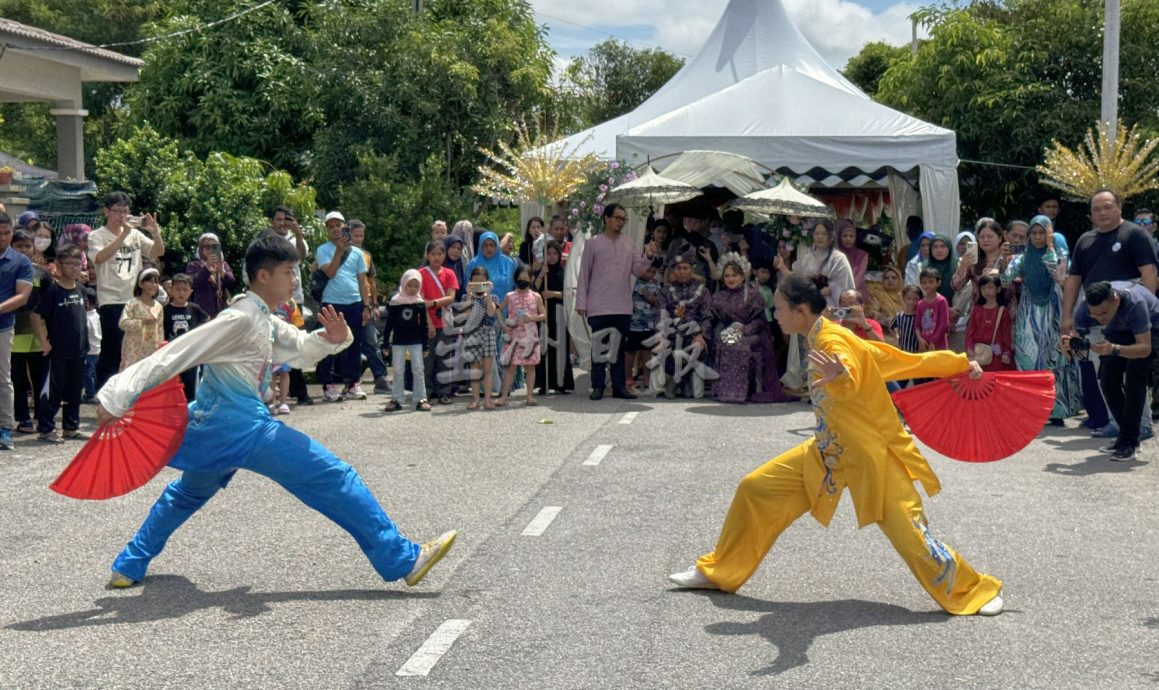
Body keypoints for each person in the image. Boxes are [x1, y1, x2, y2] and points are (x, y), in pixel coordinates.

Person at [98, 235, 456, 588]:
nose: (295, 280)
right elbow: (175, 354)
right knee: (334, 477)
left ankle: (129, 564)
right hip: (243, 429)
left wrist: (331, 337)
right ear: (264, 276)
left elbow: (298, 348)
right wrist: (116, 395)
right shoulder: (239, 318)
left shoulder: (262, 318)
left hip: (211, 430)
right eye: (288, 271)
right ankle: (403, 559)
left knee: (187, 494)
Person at [668, 274, 1004, 617]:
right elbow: (897, 360)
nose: (776, 314)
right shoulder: (819, 337)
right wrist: (957, 362)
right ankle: (718, 571)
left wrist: (842, 375)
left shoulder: (832, 342)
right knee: (755, 489)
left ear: (800, 310)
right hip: (827, 454)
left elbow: (849, 368)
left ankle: (971, 589)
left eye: (780, 308)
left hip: (869, 458)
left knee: (912, 536)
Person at [1063, 281, 1159, 461]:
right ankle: (1125, 435)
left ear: (1115, 300)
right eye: (1095, 315)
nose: (1100, 319)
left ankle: (1130, 442)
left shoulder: (1135, 304)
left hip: (1150, 329)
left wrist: (1114, 349)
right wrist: (1068, 347)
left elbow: (1144, 348)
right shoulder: (1085, 308)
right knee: (1107, 381)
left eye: (1104, 313)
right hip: (1120, 330)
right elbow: (1077, 343)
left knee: (1134, 384)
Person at [1002, 215, 1081, 424]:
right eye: (1034, 233)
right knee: (1028, 358)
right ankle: (1032, 411)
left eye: (1042, 233)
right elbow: (1005, 279)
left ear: (1050, 233)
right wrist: (1005, 260)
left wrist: (1050, 248)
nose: (1037, 237)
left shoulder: (1060, 254)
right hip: (1028, 314)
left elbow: (1059, 276)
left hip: (1054, 311)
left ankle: (1057, 411)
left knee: (1055, 359)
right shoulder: (1023, 257)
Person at [575, 204, 658, 400]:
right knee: (598, 348)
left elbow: (638, 270)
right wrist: (581, 302)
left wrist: (648, 255)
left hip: (621, 305)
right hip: (598, 304)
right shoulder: (593, 243)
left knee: (618, 350)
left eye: (623, 219)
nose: (620, 222)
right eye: (617, 218)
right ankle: (597, 386)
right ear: (606, 218)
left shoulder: (629, 244)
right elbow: (584, 274)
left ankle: (619, 386)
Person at [88, 191, 166, 389]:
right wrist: (123, 234)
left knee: (136, 346)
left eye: (126, 211)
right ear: (107, 212)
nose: (123, 215)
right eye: (118, 211)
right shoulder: (96, 236)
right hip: (110, 298)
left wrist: (155, 232)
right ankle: (104, 392)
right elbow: (99, 258)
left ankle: (129, 390)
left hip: (134, 298)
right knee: (113, 348)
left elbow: (158, 252)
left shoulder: (135, 235)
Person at [711, 254, 794, 404]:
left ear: (742, 276)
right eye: (727, 275)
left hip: (752, 333)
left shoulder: (754, 295)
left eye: (734, 275)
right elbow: (712, 318)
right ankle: (725, 390)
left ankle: (741, 391)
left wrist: (743, 330)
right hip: (729, 332)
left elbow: (760, 321)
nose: (730, 279)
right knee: (725, 341)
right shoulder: (718, 296)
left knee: (738, 344)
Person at [29, 244, 87, 443]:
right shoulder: (53, 291)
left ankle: (71, 427)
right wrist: (43, 342)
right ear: (59, 266)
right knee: (52, 392)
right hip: (57, 352)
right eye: (69, 264)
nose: (74, 267)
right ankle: (46, 428)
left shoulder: (81, 289)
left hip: (78, 350)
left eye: (77, 263)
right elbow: (35, 315)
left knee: (74, 391)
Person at [314, 211, 372, 402]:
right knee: (329, 343)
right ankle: (328, 385)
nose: (335, 229)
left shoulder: (358, 253)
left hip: (354, 302)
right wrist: (338, 251)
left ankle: (353, 384)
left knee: (354, 344)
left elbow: (363, 281)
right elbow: (330, 273)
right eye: (331, 226)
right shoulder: (322, 250)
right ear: (327, 230)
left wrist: (367, 306)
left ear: (344, 226)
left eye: (338, 225)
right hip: (331, 302)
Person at [267, 206, 311, 405]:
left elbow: (301, 255)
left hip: (295, 299)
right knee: (273, 345)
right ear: (271, 221)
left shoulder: (294, 240)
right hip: (274, 298)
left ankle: (300, 391)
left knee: (296, 343)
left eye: (286, 219)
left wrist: (298, 233)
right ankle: (273, 395)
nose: (282, 223)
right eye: (278, 219)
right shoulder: (267, 241)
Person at [467, 231, 517, 395]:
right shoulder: (473, 264)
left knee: (504, 349)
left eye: (492, 245)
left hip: (506, 311)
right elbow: (468, 289)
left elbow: (516, 286)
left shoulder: (509, 262)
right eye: (485, 245)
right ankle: (486, 387)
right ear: (480, 247)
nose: (489, 248)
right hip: (481, 314)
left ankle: (505, 385)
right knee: (483, 353)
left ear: (497, 245)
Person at [0, 213, 34, 450]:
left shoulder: (21, 262)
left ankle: (4, 429)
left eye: (7, 233)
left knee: (3, 379)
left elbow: (22, 297)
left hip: (3, 327)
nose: (3, 238)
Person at [657, 250, 712, 399]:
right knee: (666, 347)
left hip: (695, 334)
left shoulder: (703, 291)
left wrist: (701, 334)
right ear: (673, 270)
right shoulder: (665, 291)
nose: (681, 272)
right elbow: (660, 314)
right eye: (678, 268)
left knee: (697, 347)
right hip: (673, 334)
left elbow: (707, 316)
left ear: (692, 269)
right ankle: (680, 379)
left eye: (685, 268)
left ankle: (680, 380)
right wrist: (662, 335)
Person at [9, 229, 49, 435]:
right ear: (11, 247)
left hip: (38, 336)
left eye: (27, 246)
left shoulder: (42, 273)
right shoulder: (5, 270)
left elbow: (50, 303)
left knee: (40, 379)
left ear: (34, 248)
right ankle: (22, 418)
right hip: (13, 335)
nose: (24, 250)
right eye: (19, 246)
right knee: (18, 381)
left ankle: (43, 418)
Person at [348, 220, 390, 395]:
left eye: (361, 235)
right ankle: (350, 381)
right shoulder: (342, 254)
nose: (359, 239)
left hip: (366, 304)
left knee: (372, 341)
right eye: (355, 235)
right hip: (349, 302)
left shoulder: (366, 255)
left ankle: (380, 378)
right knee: (350, 343)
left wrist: (373, 304)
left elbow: (372, 282)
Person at [497, 264, 545, 407]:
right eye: (520, 278)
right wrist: (503, 325)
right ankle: (504, 396)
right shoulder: (510, 296)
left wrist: (532, 318)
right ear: (515, 279)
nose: (522, 280)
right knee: (511, 367)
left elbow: (544, 315)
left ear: (531, 279)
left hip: (530, 336)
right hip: (514, 336)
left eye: (526, 278)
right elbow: (498, 310)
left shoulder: (536, 296)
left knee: (530, 367)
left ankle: (529, 396)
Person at [382, 270, 430, 413]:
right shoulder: (395, 302)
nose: (413, 289)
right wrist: (385, 343)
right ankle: (396, 399)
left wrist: (425, 344)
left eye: (416, 286)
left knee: (418, 369)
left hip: (416, 341)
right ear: (403, 284)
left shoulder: (419, 303)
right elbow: (389, 325)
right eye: (409, 285)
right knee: (398, 369)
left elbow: (424, 325)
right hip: (398, 341)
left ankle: (421, 398)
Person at [418, 240, 459, 405]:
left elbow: (451, 297)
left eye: (439, 254)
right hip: (426, 321)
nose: (436, 257)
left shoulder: (449, 273)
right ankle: (426, 391)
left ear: (444, 255)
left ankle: (444, 391)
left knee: (445, 358)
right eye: (433, 254)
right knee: (427, 359)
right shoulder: (420, 273)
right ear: (427, 255)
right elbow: (419, 299)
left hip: (445, 320)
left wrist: (433, 303)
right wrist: (429, 322)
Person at [534, 240, 575, 395]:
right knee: (545, 347)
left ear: (559, 255)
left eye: (554, 254)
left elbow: (569, 294)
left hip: (559, 312)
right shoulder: (542, 272)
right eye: (548, 254)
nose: (551, 257)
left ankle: (561, 383)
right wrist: (541, 274)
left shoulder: (564, 272)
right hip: (543, 313)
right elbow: (533, 289)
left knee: (560, 347)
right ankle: (543, 383)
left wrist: (552, 294)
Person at [163, 274, 210, 402]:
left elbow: (207, 320)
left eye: (185, 290)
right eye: (178, 289)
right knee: (173, 384)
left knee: (190, 384)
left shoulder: (194, 309)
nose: (181, 293)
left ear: (191, 291)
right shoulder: (165, 310)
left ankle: (188, 410)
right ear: (171, 290)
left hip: (190, 355)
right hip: (172, 354)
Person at [464, 266, 498, 410]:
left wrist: (488, 293)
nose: (479, 286)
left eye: (482, 283)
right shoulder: (466, 297)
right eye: (475, 283)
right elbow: (466, 315)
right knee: (475, 368)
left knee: (488, 368)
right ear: (470, 282)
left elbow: (491, 313)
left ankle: (488, 399)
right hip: (472, 333)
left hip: (488, 333)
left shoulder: (494, 297)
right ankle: (476, 399)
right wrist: (469, 294)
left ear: (487, 283)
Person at [626, 260, 661, 396]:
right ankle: (628, 379)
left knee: (647, 353)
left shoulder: (656, 285)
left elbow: (658, 302)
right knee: (630, 353)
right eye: (648, 271)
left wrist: (649, 296)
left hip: (648, 325)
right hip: (632, 324)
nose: (650, 274)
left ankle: (647, 381)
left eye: (653, 272)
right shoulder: (632, 283)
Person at [118, 268, 164, 370]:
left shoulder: (158, 307)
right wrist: (142, 322)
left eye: (156, 282)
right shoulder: (132, 303)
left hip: (152, 348)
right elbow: (123, 323)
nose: (154, 285)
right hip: (133, 347)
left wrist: (160, 347)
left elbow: (160, 329)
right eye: (150, 282)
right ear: (140, 284)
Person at [965, 275, 1013, 372]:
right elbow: (970, 330)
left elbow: (1006, 334)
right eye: (983, 288)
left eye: (990, 287)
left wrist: (1006, 352)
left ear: (998, 289)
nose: (987, 291)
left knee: (994, 379)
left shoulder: (1002, 310)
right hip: (978, 351)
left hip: (996, 353)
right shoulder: (976, 309)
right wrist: (969, 346)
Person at [185, 233, 235, 318]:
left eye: (215, 246)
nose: (211, 250)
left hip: (221, 311)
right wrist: (207, 267)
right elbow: (193, 284)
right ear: (201, 249)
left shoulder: (223, 264)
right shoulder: (193, 265)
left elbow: (232, 284)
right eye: (208, 247)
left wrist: (222, 272)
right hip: (202, 312)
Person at [916, 267, 950, 351]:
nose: (927, 285)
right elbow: (916, 325)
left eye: (931, 282)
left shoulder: (941, 301)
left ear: (938, 283)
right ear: (921, 284)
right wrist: (920, 339)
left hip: (939, 345)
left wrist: (933, 342)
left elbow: (944, 325)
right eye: (924, 282)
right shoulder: (920, 304)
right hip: (924, 345)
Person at [835, 219, 868, 297]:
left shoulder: (862, 254)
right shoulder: (835, 255)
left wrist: (849, 292)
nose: (848, 239)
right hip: (836, 293)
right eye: (845, 236)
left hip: (856, 293)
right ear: (839, 237)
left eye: (851, 236)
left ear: (855, 238)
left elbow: (860, 274)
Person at [890, 285, 922, 356]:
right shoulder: (899, 316)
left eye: (915, 299)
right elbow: (891, 327)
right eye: (909, 298)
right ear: (904, 299)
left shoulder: (919, 316)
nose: (911, 302)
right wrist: (896, 336)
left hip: (916, 353)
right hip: (902, 352)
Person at [83, 288, 100, 403]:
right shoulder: (96, 315)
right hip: (96, 348)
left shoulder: (87, 318)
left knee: (87, 374)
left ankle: (90, 394)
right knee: (92, 372)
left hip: (89, 350)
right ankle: (92, 391)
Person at [444, 236, 469, 302]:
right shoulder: (437, 266)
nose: (456, 251)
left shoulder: (459, 267)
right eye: (453, 247)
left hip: (457, 308)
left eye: (459, 249)